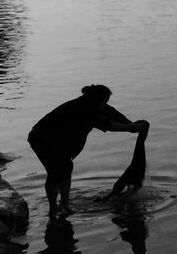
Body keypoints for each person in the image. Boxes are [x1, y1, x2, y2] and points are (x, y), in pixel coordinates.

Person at [28, 85, 146, 217]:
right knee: (56, 171)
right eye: (104, 102)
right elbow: (107, 124)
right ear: (96, 100)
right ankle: (54, 209)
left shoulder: (93, 104)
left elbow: (112, 113)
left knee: (65, 167)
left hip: (60, 141)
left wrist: (130, 123)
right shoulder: (82, 109)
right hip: (42, 138)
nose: (105, 105)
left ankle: (64, 205)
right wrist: (129, 128)